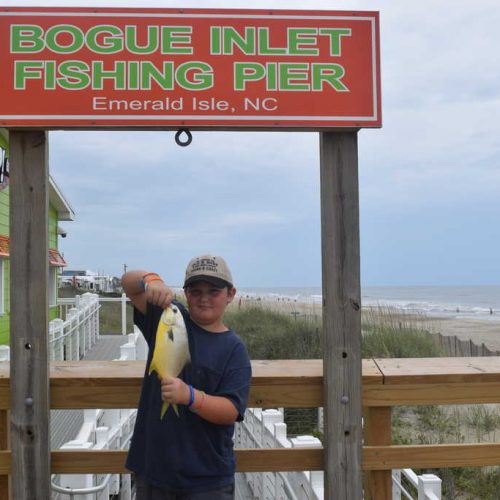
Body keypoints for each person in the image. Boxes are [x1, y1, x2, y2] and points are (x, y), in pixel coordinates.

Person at [121, 255, 252, 499]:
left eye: (213, 291)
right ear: (185, 293)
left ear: (230, 294)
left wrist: (190, 397)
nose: (203, 298)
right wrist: (151, 280)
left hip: (207, 479)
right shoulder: (170, 317)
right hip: (153, 469)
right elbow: (129, 283)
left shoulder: (234, 349)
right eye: (195, 291)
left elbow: (231, 410)